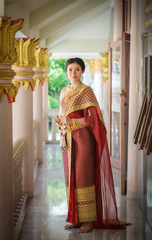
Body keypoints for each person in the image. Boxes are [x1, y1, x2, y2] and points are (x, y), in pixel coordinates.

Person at [53, 57, 125, 234]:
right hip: (68, 139)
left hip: (84, 139)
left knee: (84, 178)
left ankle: (89, 221)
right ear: (66, 72)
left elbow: (93, 119)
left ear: (83, 71)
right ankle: (76, 218)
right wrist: (60, 121)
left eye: (77, 69)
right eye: (70, 69)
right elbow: (63, 116)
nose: (73, 73)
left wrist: (72, 120)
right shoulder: (63, 91)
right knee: (71, 178)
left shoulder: (87, 91)